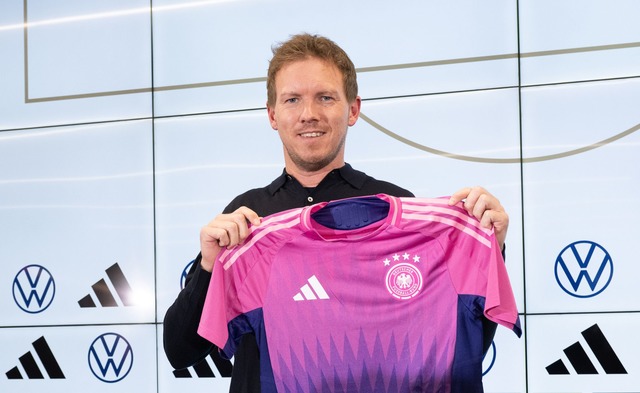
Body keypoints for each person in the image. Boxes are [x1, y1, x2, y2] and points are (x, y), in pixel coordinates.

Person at [163, 33, 510, 392]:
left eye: (325, 98)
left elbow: (453, 352)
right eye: (292, 99)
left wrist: (491, 248)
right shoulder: (248, 221)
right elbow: (180, 351)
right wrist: (208, 267)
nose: (308, 114)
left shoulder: (402, 211)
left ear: (353, 109)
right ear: (272, 115)